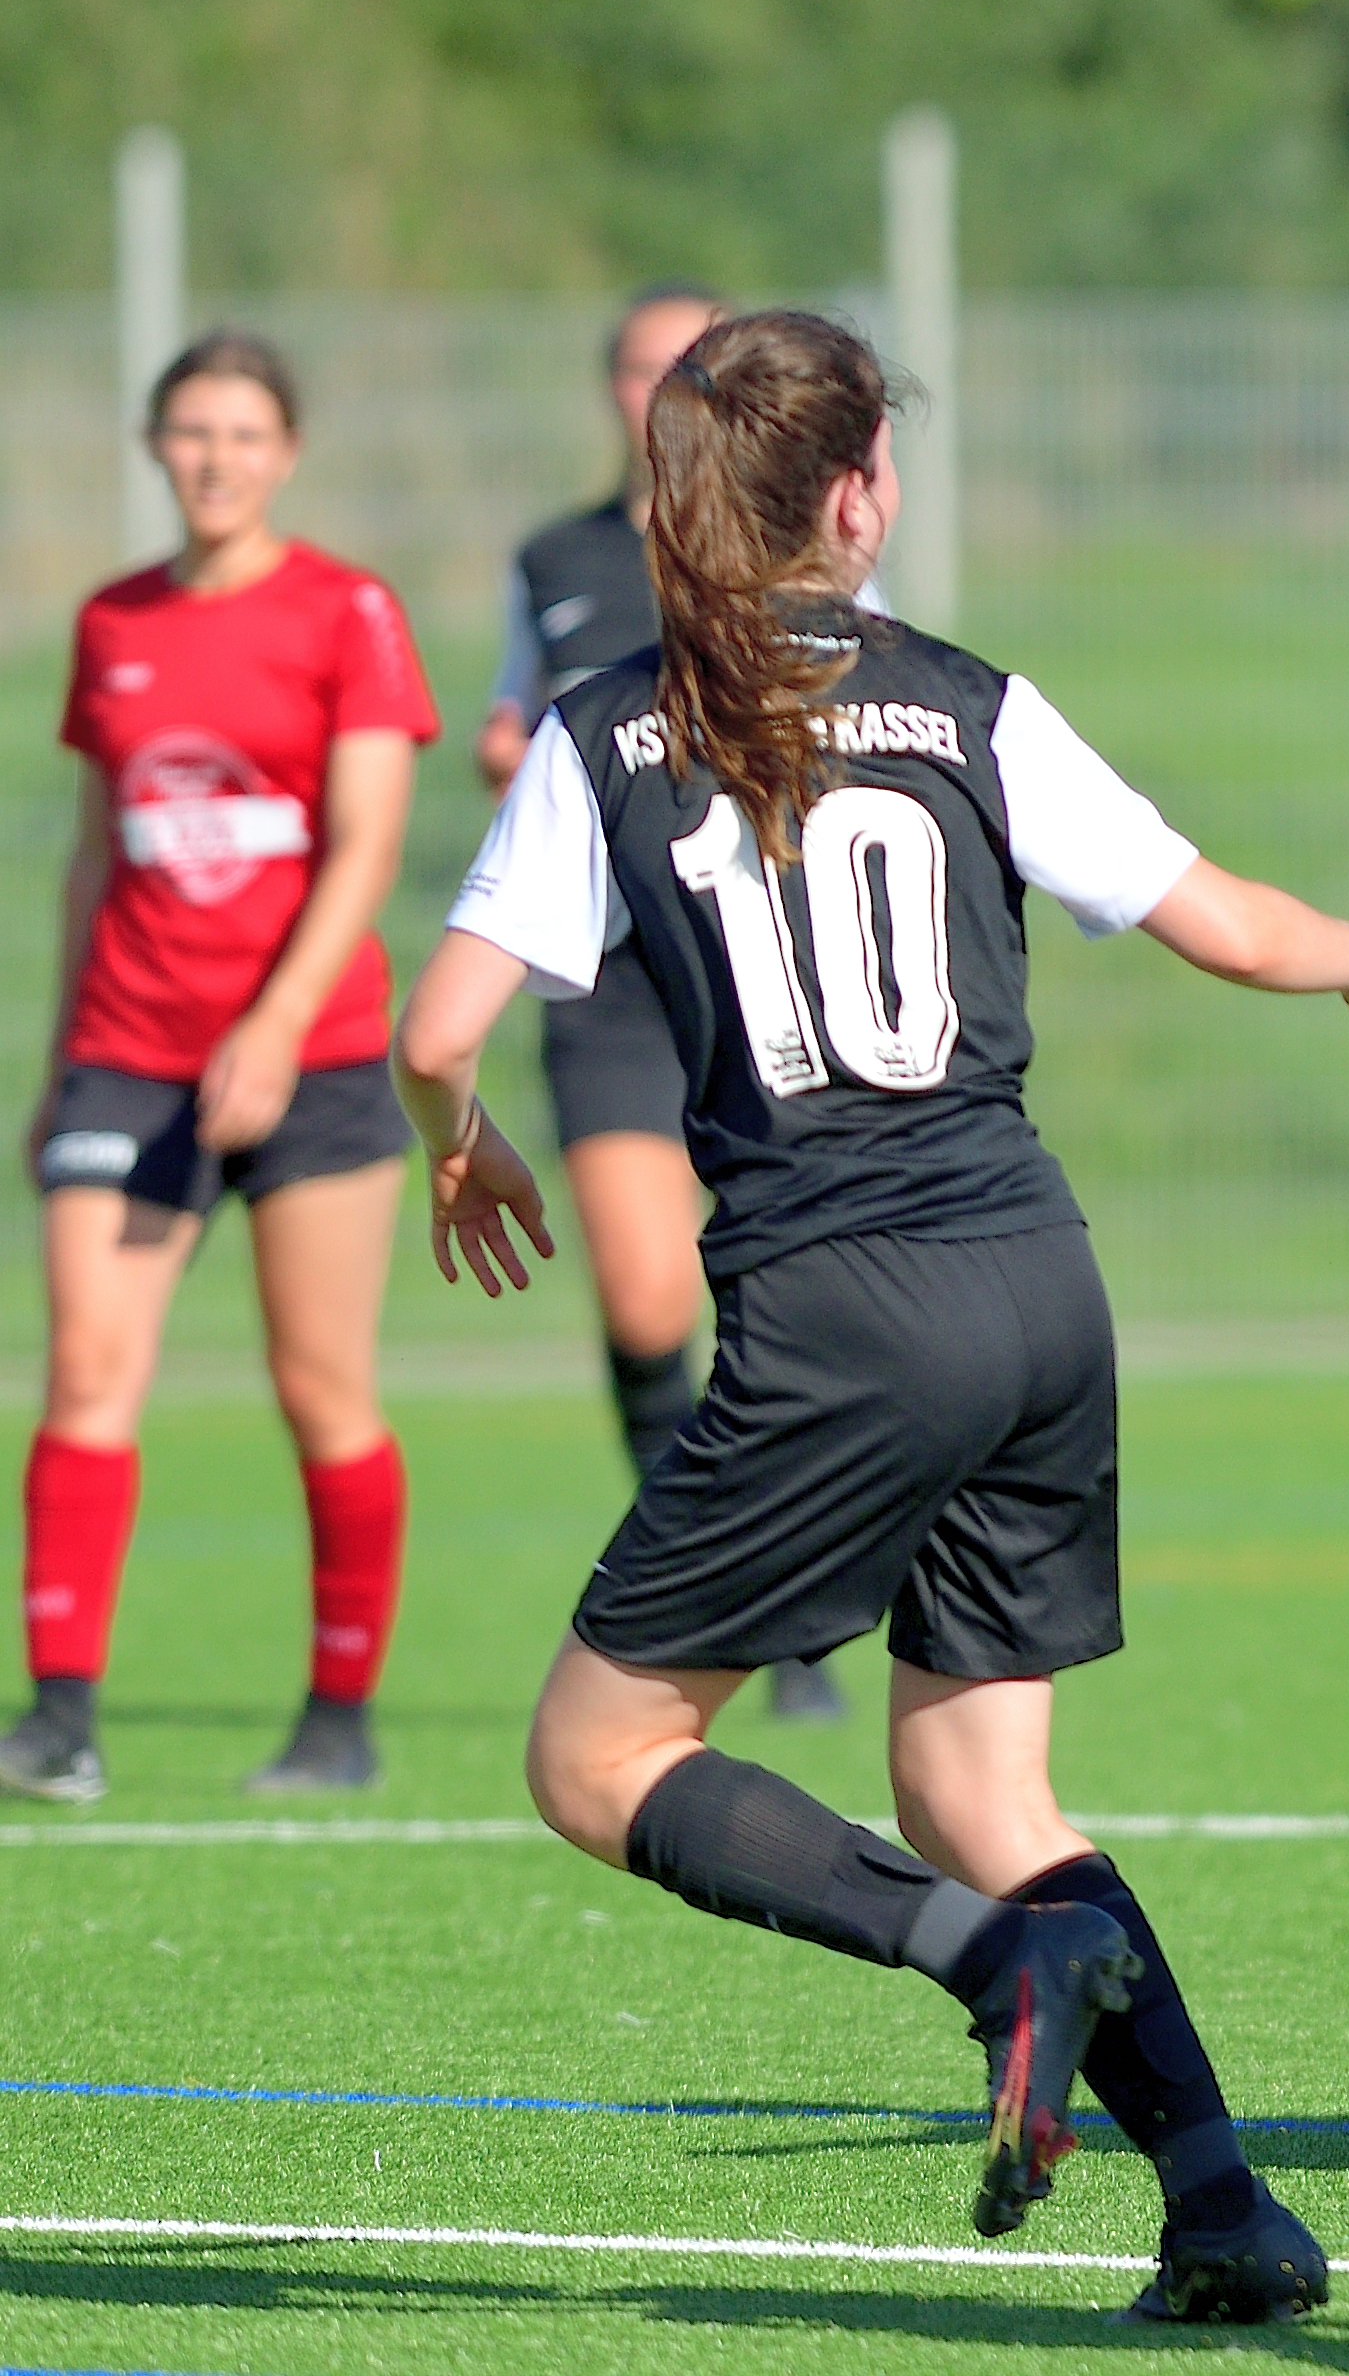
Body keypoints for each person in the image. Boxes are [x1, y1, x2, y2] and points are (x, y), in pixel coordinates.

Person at [392, 310, 1349, 2319]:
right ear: (861, 493)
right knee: (982, 1789)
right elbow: (1218, 915)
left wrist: (464, 1139)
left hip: (841, 1310)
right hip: (1038, 1285)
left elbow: (439, 1025)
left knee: (595, 1752)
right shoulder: (967, 701)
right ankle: (1226, 2206)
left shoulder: (610, 725)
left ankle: (992, 1961)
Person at [9, 332, 437, 1804]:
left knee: (320, 1386)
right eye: (191, 432)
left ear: (287, 453)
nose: (216, 458)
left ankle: (339, 1711)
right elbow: (93, 854)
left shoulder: (347, 611)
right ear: (154, 446)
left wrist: (270, 1023)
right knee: (87, 1367)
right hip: (129, 1055)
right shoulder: (112, 621)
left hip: (310, 1057)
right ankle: (58, 1716)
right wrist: (65, 1060)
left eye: (245, 434)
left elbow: (367, 843)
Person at [479, 284, 844, 1725]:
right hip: (618, 980)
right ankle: (735, 1599)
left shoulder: (795, 553)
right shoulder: (557, 558)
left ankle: (804, 1590)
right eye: (645, 369)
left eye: (693, 369)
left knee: (793, 1291)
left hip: (762, 956)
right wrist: (518, 757)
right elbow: (517, 730)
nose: (665, 392)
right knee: (644, 1293)